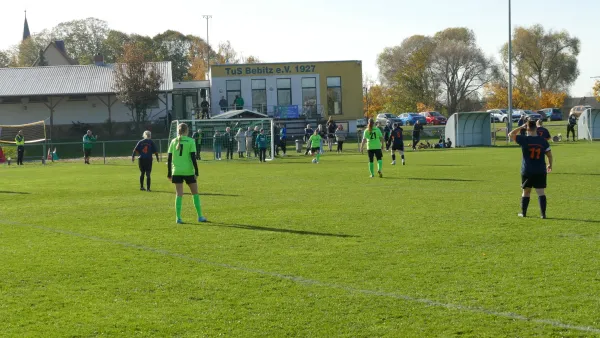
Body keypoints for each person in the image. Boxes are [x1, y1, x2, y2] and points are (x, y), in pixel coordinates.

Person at [509, 120, 553, 219]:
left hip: (527, 170)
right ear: (536, 128)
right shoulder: (543, 141)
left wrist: (521, 127)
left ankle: (523, 213)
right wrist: (550, 165)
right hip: (540, 170)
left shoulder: (524, 139)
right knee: (541, 192)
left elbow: (510, 134)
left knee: (526, 192)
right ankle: (543, 214)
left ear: (527, 129)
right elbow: (549, 155)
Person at [167, 123, 206, 224]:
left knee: (179, 194)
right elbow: (193, 157)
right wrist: (196, 171)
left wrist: (169, 173)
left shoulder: (173, 141)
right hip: (188, 171)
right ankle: (200, 216)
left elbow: (169, 158)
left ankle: (178, 218)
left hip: (176, 171)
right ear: (187, 130)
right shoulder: (191, 141)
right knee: (195, 193)